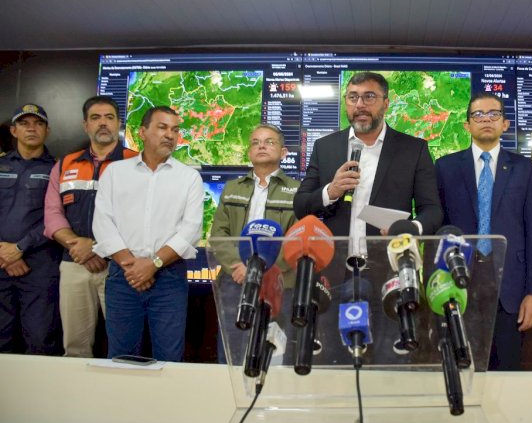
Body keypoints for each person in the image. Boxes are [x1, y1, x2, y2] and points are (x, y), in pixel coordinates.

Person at [435, 93, 532, 371]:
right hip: (459, 284)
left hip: (509, 289)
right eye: (478, 115)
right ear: (467, 125)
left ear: (505, 124)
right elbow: (439, 225)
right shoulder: (445, 167)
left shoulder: (525, 169)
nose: (486, 120)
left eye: (494, 114)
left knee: (507, 374)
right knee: (462, 369)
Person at [92, 106, 203, 361]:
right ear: (142, 132)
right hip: (124, 278)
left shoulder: (189, 178)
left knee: (169, 358)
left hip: (168, 279)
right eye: (162, 127)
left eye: (175, 130)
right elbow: (103, 224)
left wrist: (152, 265)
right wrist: (133, 267)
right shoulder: (116, 172)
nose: (170, 135)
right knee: (121, 357)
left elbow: (191, 230)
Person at [293, 71, 443, 250]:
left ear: (386, 104)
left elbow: (432, 210)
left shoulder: (413, 150)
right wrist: (330, 192)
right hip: (334, 266)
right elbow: (301, 205)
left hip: (387, 263)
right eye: (352, 97)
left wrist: (410, 228)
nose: (360, 105)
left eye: (369, 97)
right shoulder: (324, 147)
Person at [44, 96, 138, 357]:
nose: (103, 123)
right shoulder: (64, 164)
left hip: (121, 266)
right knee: (74, 346)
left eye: (109, 117)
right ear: (85, 125)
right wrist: (79, 247)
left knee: (126, 344)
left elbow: (142, 218)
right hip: (74, 264)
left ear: (119, 123)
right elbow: (52, 215)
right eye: (96, 118)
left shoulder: (137, 162)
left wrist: (98, 247)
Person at [210, 123, 299, 363]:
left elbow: (295, 240)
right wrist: (239, 267)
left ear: (283, 153)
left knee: (275, 354)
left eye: (269, 141)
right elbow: (219, 234)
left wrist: (261, 269)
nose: (261, 145)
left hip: (278, 284)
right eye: (255, 142)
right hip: (235, 280)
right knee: (232, 355)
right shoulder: (231, 189)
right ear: (249, 152)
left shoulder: (298, 192)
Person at [0, 103, 62, 355]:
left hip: (39, 268)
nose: (31, 129)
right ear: (14, 131)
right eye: (24, 123)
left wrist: (19, 248)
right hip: (1, 265)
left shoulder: (58, 168)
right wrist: (4, 254)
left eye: (38, 123)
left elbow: (56, 217)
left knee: (40, 341)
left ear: (47, 131)